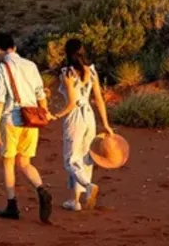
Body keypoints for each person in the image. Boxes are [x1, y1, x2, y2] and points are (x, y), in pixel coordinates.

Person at [0, 32, 53, 223]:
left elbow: (0, 101)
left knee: (9, 163)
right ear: (14, 47)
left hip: (12, 120)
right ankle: (40, 189)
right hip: (32, 120)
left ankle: (12, 206)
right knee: (25, 163)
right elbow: (40, 93)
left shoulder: (1, 68)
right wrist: (45, 112)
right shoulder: (31, 65)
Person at [49, 38, 114, 212]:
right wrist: (106, 124)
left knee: (70, 159)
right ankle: (74, 200)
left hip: (75, 116)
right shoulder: (91, 72)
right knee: (85, 158)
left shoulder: (67, 73)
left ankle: (88, 185)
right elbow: (99, 99)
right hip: (89, 117)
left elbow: (71, 103)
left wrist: (56, 115)